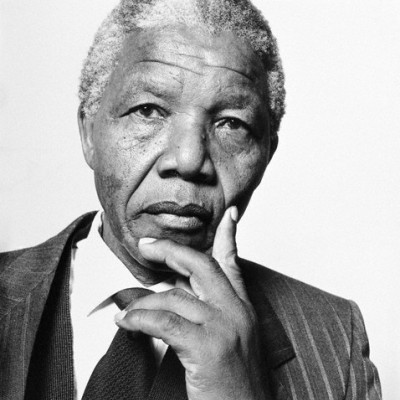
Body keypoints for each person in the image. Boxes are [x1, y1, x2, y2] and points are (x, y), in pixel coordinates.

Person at [0, 0, 382, 399]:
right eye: (148, 110)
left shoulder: (337, 341)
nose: (188, 160)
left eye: (231, 124)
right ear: (88, 133)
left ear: (267, 155)